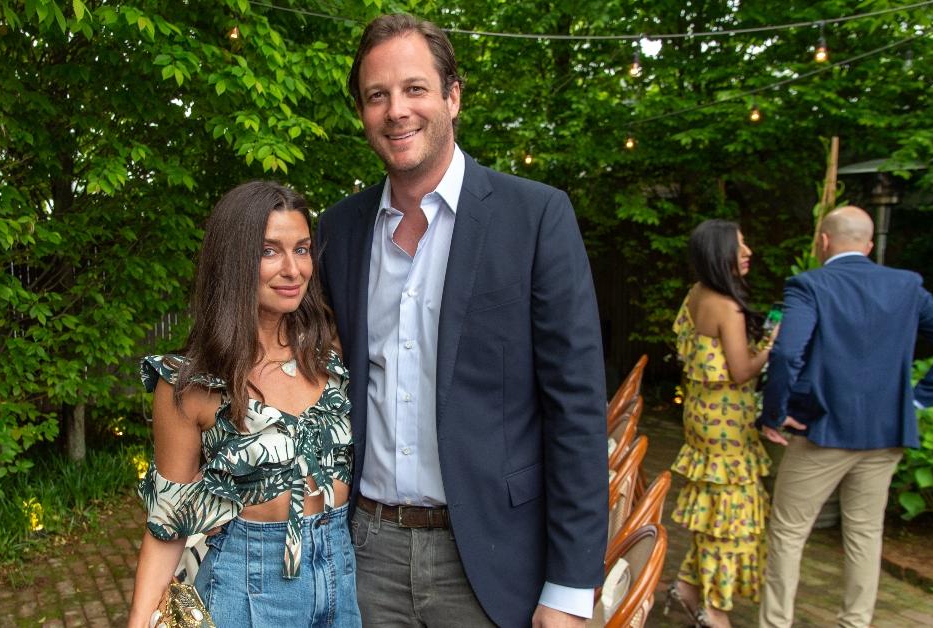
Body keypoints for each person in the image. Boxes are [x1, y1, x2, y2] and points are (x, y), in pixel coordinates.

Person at [315, 13, 608, 628]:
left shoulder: (536, 218)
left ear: (453, 96)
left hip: (491, 560)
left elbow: (576, 410)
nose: (397, 110)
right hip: (364, 553)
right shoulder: (338, 231)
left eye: (415, 88)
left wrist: (571, 587)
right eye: (377, 95)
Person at [127, 181, 360, 628]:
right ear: (234, 260)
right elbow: (167, 525)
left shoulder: (329, 354)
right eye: (269, 251)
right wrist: (140, 620)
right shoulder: (189, 382)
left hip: (340, 574)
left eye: (303, 249)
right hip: (247, 587)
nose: (293, 269)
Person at [756, 205, 933, 628]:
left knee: (789, 533)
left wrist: (775, 413)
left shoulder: (809, 284)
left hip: (821, 431)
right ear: (869, 245)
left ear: (823, 240)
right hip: (885, 433)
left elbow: (786, 353)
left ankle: (776, 624)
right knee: (865, 534)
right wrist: (918, 401)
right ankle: (855, 623)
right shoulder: (907, 286)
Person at [664, 220, 775, 628]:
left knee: (712, 509)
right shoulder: (726, 306)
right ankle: (714, 611)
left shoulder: (697, 293)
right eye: (739, 245)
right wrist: (771, 347)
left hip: (702, 418)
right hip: (726, 427)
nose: (747, 252)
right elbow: (742, 369)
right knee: (731, 519)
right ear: (718, 253)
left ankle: (689, 588)